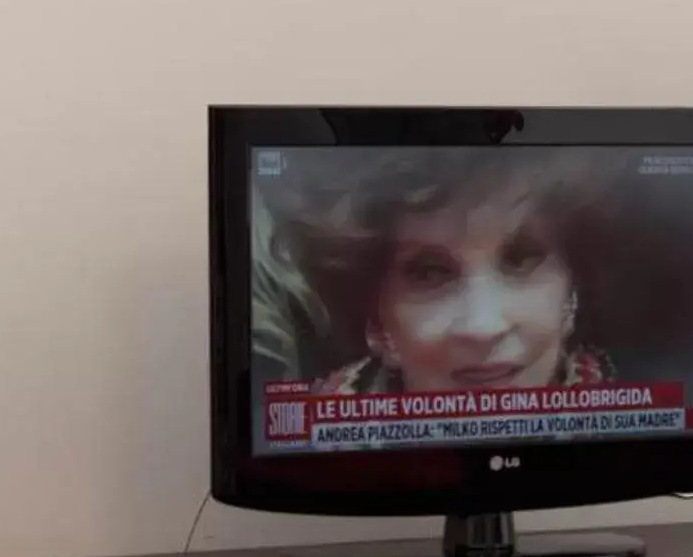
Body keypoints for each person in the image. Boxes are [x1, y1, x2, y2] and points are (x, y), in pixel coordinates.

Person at [255, 151, 617, 396]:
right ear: (377, 320)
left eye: (520, 260)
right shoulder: (315, 436)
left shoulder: (636, 433)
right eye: (429, 273)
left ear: (572, 290)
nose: (483, 326)